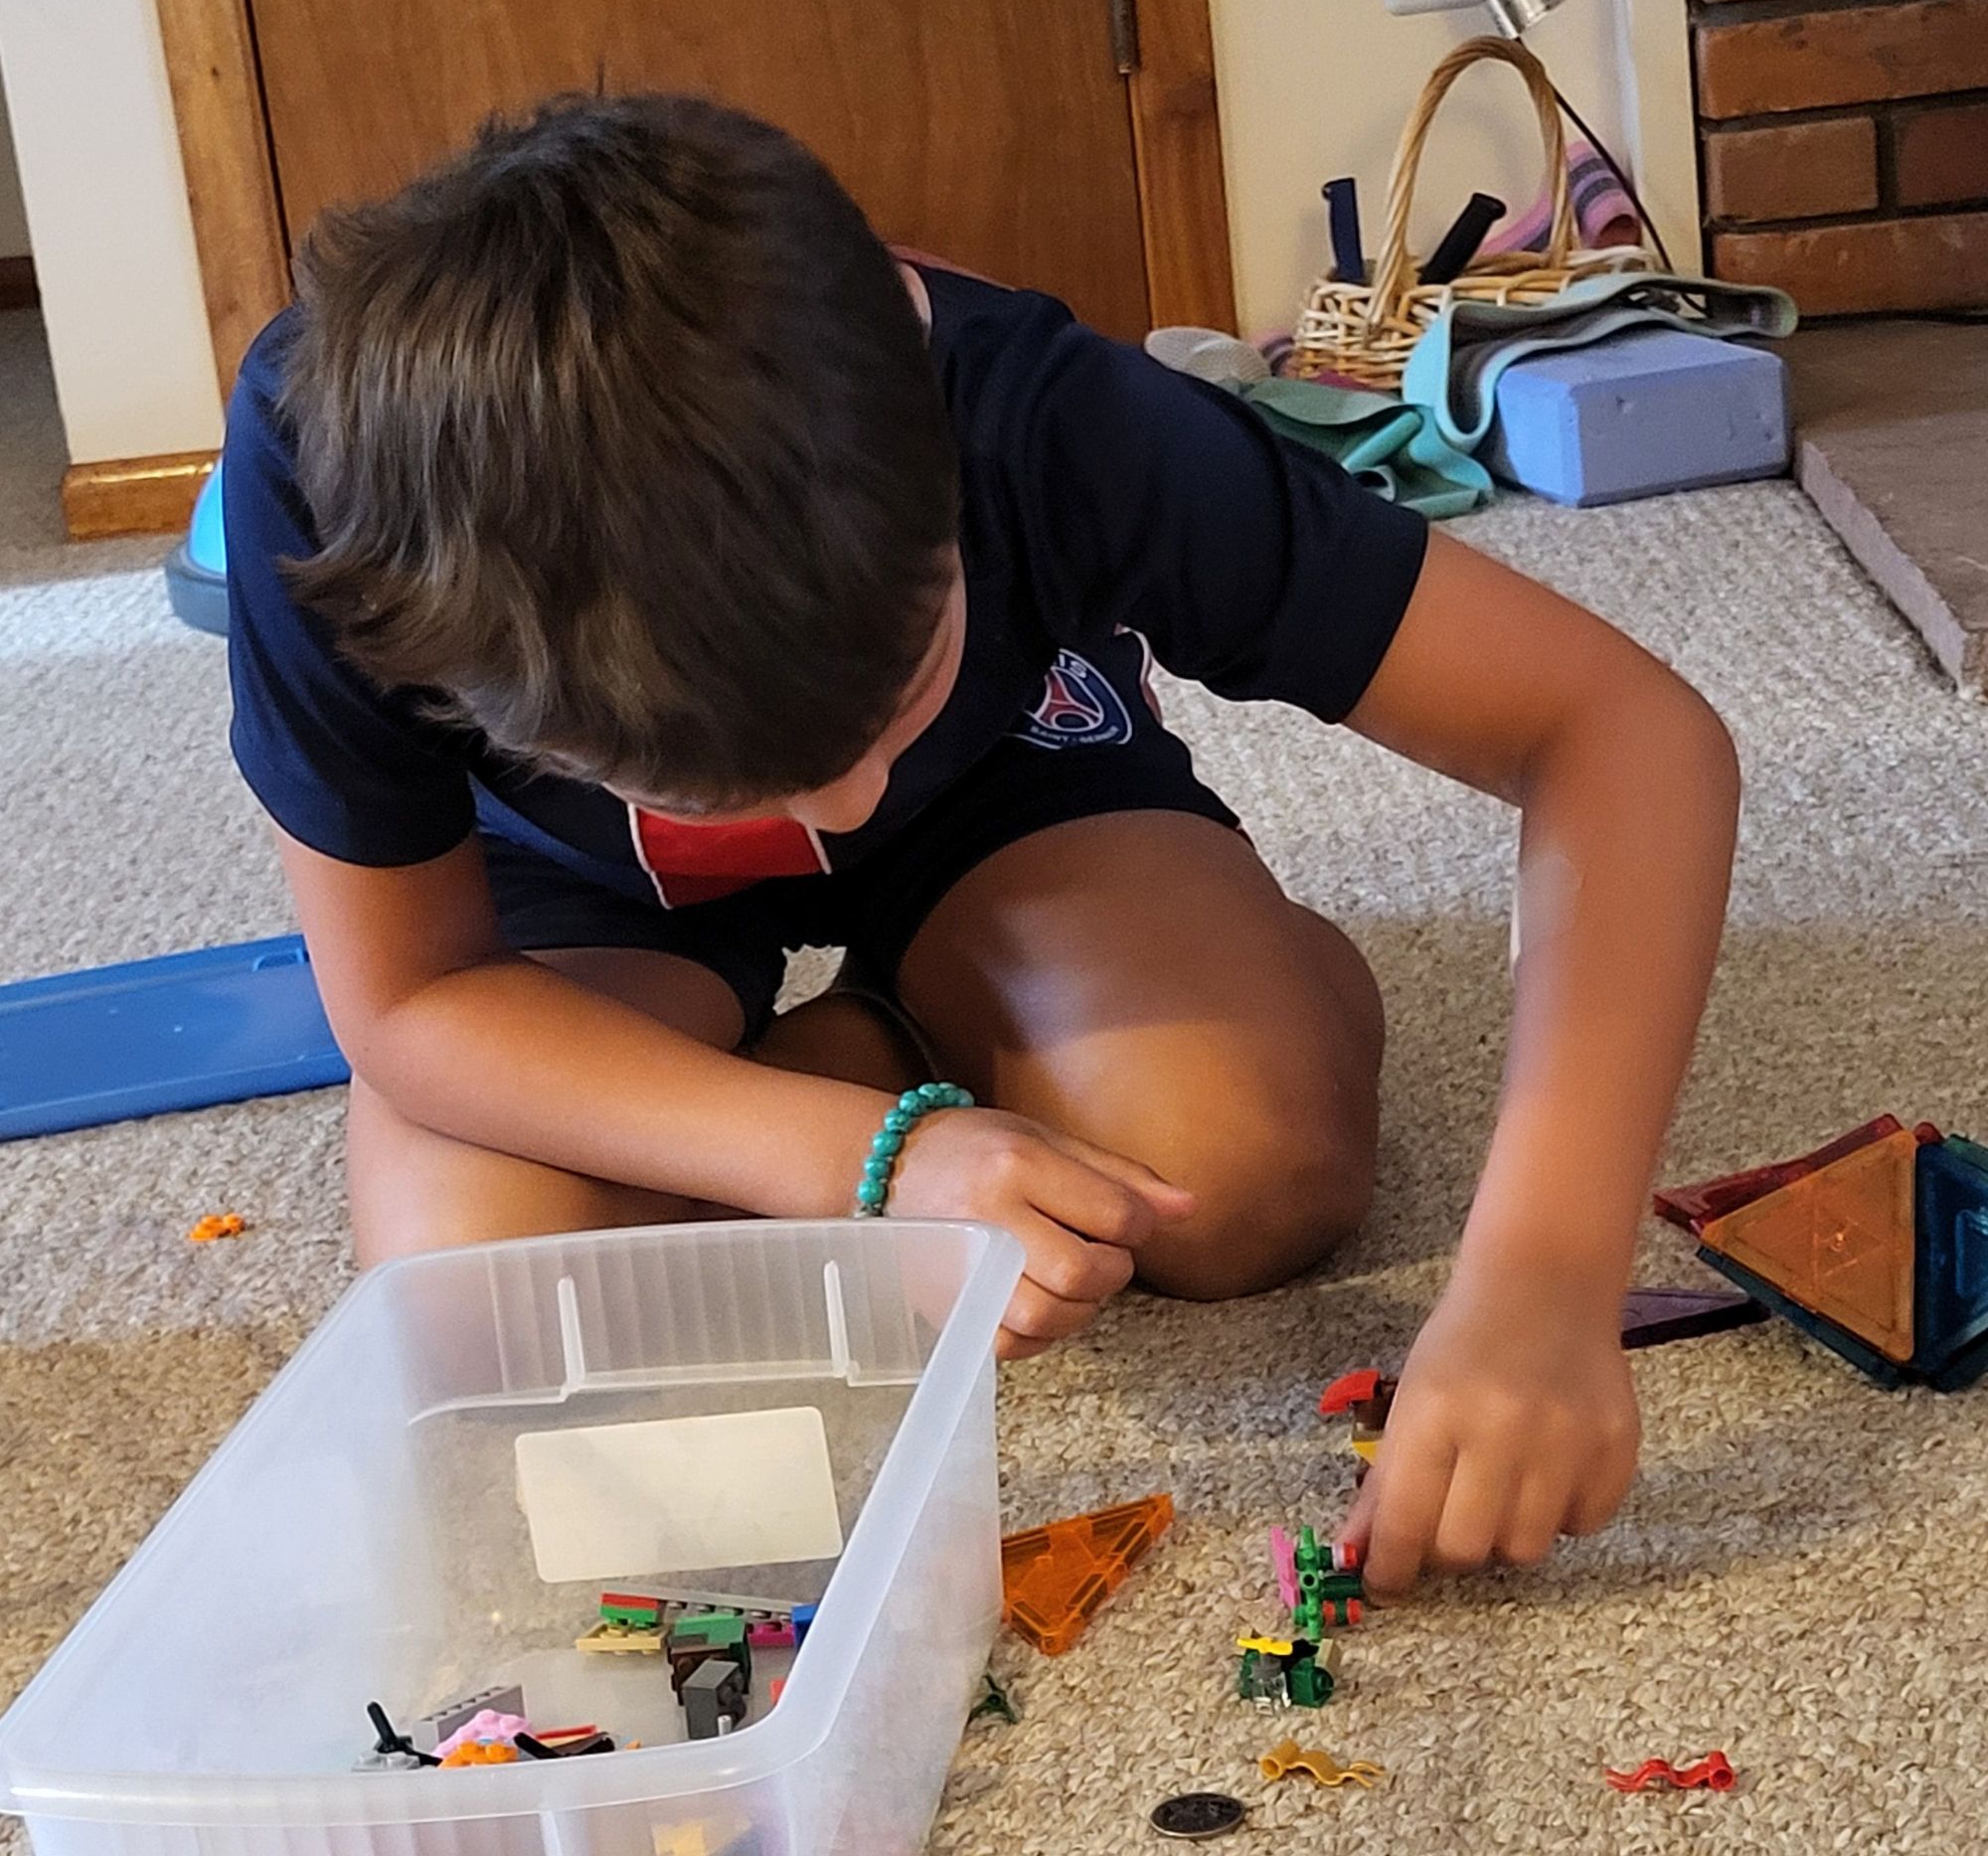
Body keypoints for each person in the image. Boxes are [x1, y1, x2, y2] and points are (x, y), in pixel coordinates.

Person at [226, 95, 1740, 1595]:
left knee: (1245, 1165)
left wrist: (1546, 1271)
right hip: (576, 891)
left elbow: (1621, 735)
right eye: (728, 787)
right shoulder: (324, 484)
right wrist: (875, 1160)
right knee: (485, 1318)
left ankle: (929, 1011)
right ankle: (904, 1060)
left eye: (895, 695)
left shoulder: (1044, 414)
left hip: (1007, 778)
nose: (841, 810)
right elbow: (413, 1000)